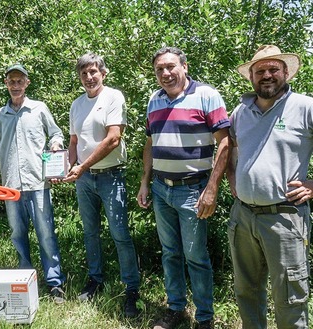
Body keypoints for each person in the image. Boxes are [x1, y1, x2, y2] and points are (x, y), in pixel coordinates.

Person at [136, 47, 230, 329]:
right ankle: (175, 309)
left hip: (193, 190)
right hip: (161, 190)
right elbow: (151, 143)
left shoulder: (207, 95)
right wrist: (144, 182)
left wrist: (212, 188)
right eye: (159, 69)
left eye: (170, 66)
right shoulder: (154, 100)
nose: (165, 73)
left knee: (196, 257)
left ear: (184, 66)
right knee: (170, 253)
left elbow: (225, 142)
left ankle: (204, 318)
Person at [0, 63, 67, 303]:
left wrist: (56, 144)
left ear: (27, 83)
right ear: (6, 84)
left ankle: (54, 283)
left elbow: (56, 133)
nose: (16, 85)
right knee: (17, 234)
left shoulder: (39, 109)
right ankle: (26, 278)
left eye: (20, 81)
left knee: (46, 234)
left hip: (39, 183)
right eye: (12, 81)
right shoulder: (1, 115)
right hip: (11, 187)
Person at [227, 45, 312, 329]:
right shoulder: (240, 111)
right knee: (246, 291)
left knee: (290, 296)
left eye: (273, 69)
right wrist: (234, 181)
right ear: (251, 77)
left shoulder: (305, 106)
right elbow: (233, 149)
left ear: (286, 72)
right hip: (243, 216)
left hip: (285, 218)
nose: (267, 75)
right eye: (260, 71)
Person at [63, 52, 141, 317]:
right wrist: (67, 168)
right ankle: (95, 279)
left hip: (111, 175)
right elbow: (74, 142)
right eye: (84, 73)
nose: (89, 77)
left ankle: (131, 289)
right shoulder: (76, 104)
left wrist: (81, 166)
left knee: (120, 233)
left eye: (93, 72)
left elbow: (113, 139)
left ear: (103, 73)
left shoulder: (113, 97)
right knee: (90, 232)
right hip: (84, 180)